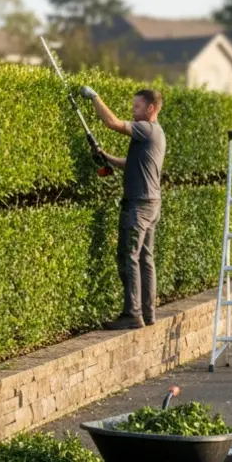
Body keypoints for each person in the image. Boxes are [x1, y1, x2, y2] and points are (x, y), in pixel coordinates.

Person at [78, 86, 165, 330]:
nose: (133, 111)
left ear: (150, 108)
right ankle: (148, 314)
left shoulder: (145, 128)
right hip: (151, 202)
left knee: (129, 256)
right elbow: (132, 163)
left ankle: (132, 314)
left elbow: (113, 123)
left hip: (138, 204)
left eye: (137, 107)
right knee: (146, 258)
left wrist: (94, 96)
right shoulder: (155, 134)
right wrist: (107, 157)